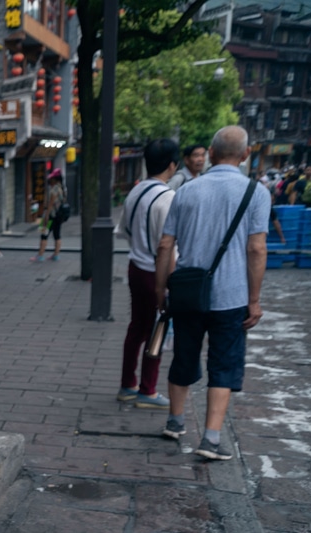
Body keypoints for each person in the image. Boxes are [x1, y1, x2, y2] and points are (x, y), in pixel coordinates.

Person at [155, 125, 269, 461]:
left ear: (212, 152)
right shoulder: (256, 192)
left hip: (189, 293)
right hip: (232, 297)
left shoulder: (187, 190)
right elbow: (257, 249)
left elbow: (165, 245)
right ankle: (211, 439)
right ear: (246, 154)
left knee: (184, 355)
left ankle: (175, 423)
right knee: (225, 363)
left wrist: (161, 290)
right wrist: (254, 300)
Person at [117, 138, 178, 409]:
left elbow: (124, 230)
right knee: (158, 330)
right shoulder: (168, 198)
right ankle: (148, 390)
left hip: (135, 267)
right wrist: (168, 284)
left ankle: (127, 384)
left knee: (137, 328)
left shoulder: (136, 191)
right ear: (172, 165)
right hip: (156, 273)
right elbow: (168, 246)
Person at [31, 168, 65, 262]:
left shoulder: (54, 189)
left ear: (55, 179)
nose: (50, 180)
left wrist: (46, 215)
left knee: (43, 235)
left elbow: (50, 204)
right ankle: (56, 255)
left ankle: (40, 256)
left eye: (52, 178)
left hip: (50, 214)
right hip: (59, 215)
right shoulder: (62, 188)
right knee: (57, 235)